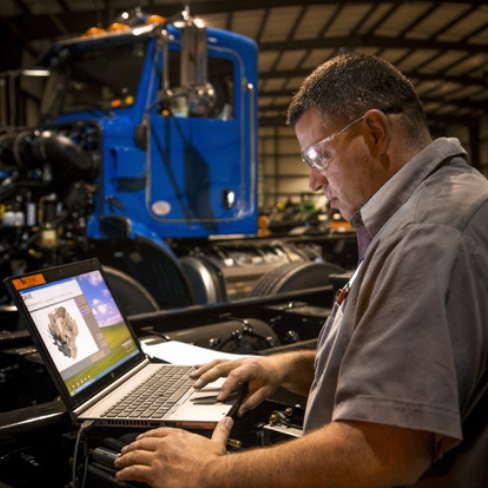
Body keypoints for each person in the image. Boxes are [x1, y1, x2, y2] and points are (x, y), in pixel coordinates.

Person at [114, 53, 488, 487]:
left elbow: (380, 455)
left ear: (374, 132)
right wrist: (286, 367)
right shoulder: (453, 201)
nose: (313, 181)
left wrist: (207, 472)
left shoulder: (427, 238)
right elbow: (392, 367)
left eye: (318, 155)